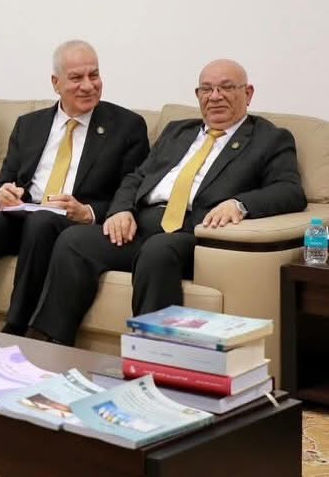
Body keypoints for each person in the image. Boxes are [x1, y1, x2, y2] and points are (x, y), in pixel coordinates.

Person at [29, 59, 307, 345]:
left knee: (158, 250)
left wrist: (238, 203)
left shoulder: (269, 139)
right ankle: (51, 343)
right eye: (207, 89)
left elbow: (290, 191)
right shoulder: (178, 132)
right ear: (198, 95)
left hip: (194, 233)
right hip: (143, 225)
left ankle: (151, 353)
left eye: (226, 88)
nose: (215, 97)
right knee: (75, 241)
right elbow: (136, 177)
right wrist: (121, 210)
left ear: (247, 93)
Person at [0, 40, 149, 333]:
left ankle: (16, 328)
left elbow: (130, 193)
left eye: (94, 75)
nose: (88, 85)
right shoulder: (29, 125)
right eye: (77, 78)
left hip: (70, 222)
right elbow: (2, 182)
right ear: (56, 83)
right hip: (25, 213)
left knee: (42, 222)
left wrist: (88, 212)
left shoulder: (127, 126)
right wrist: (2, 195)